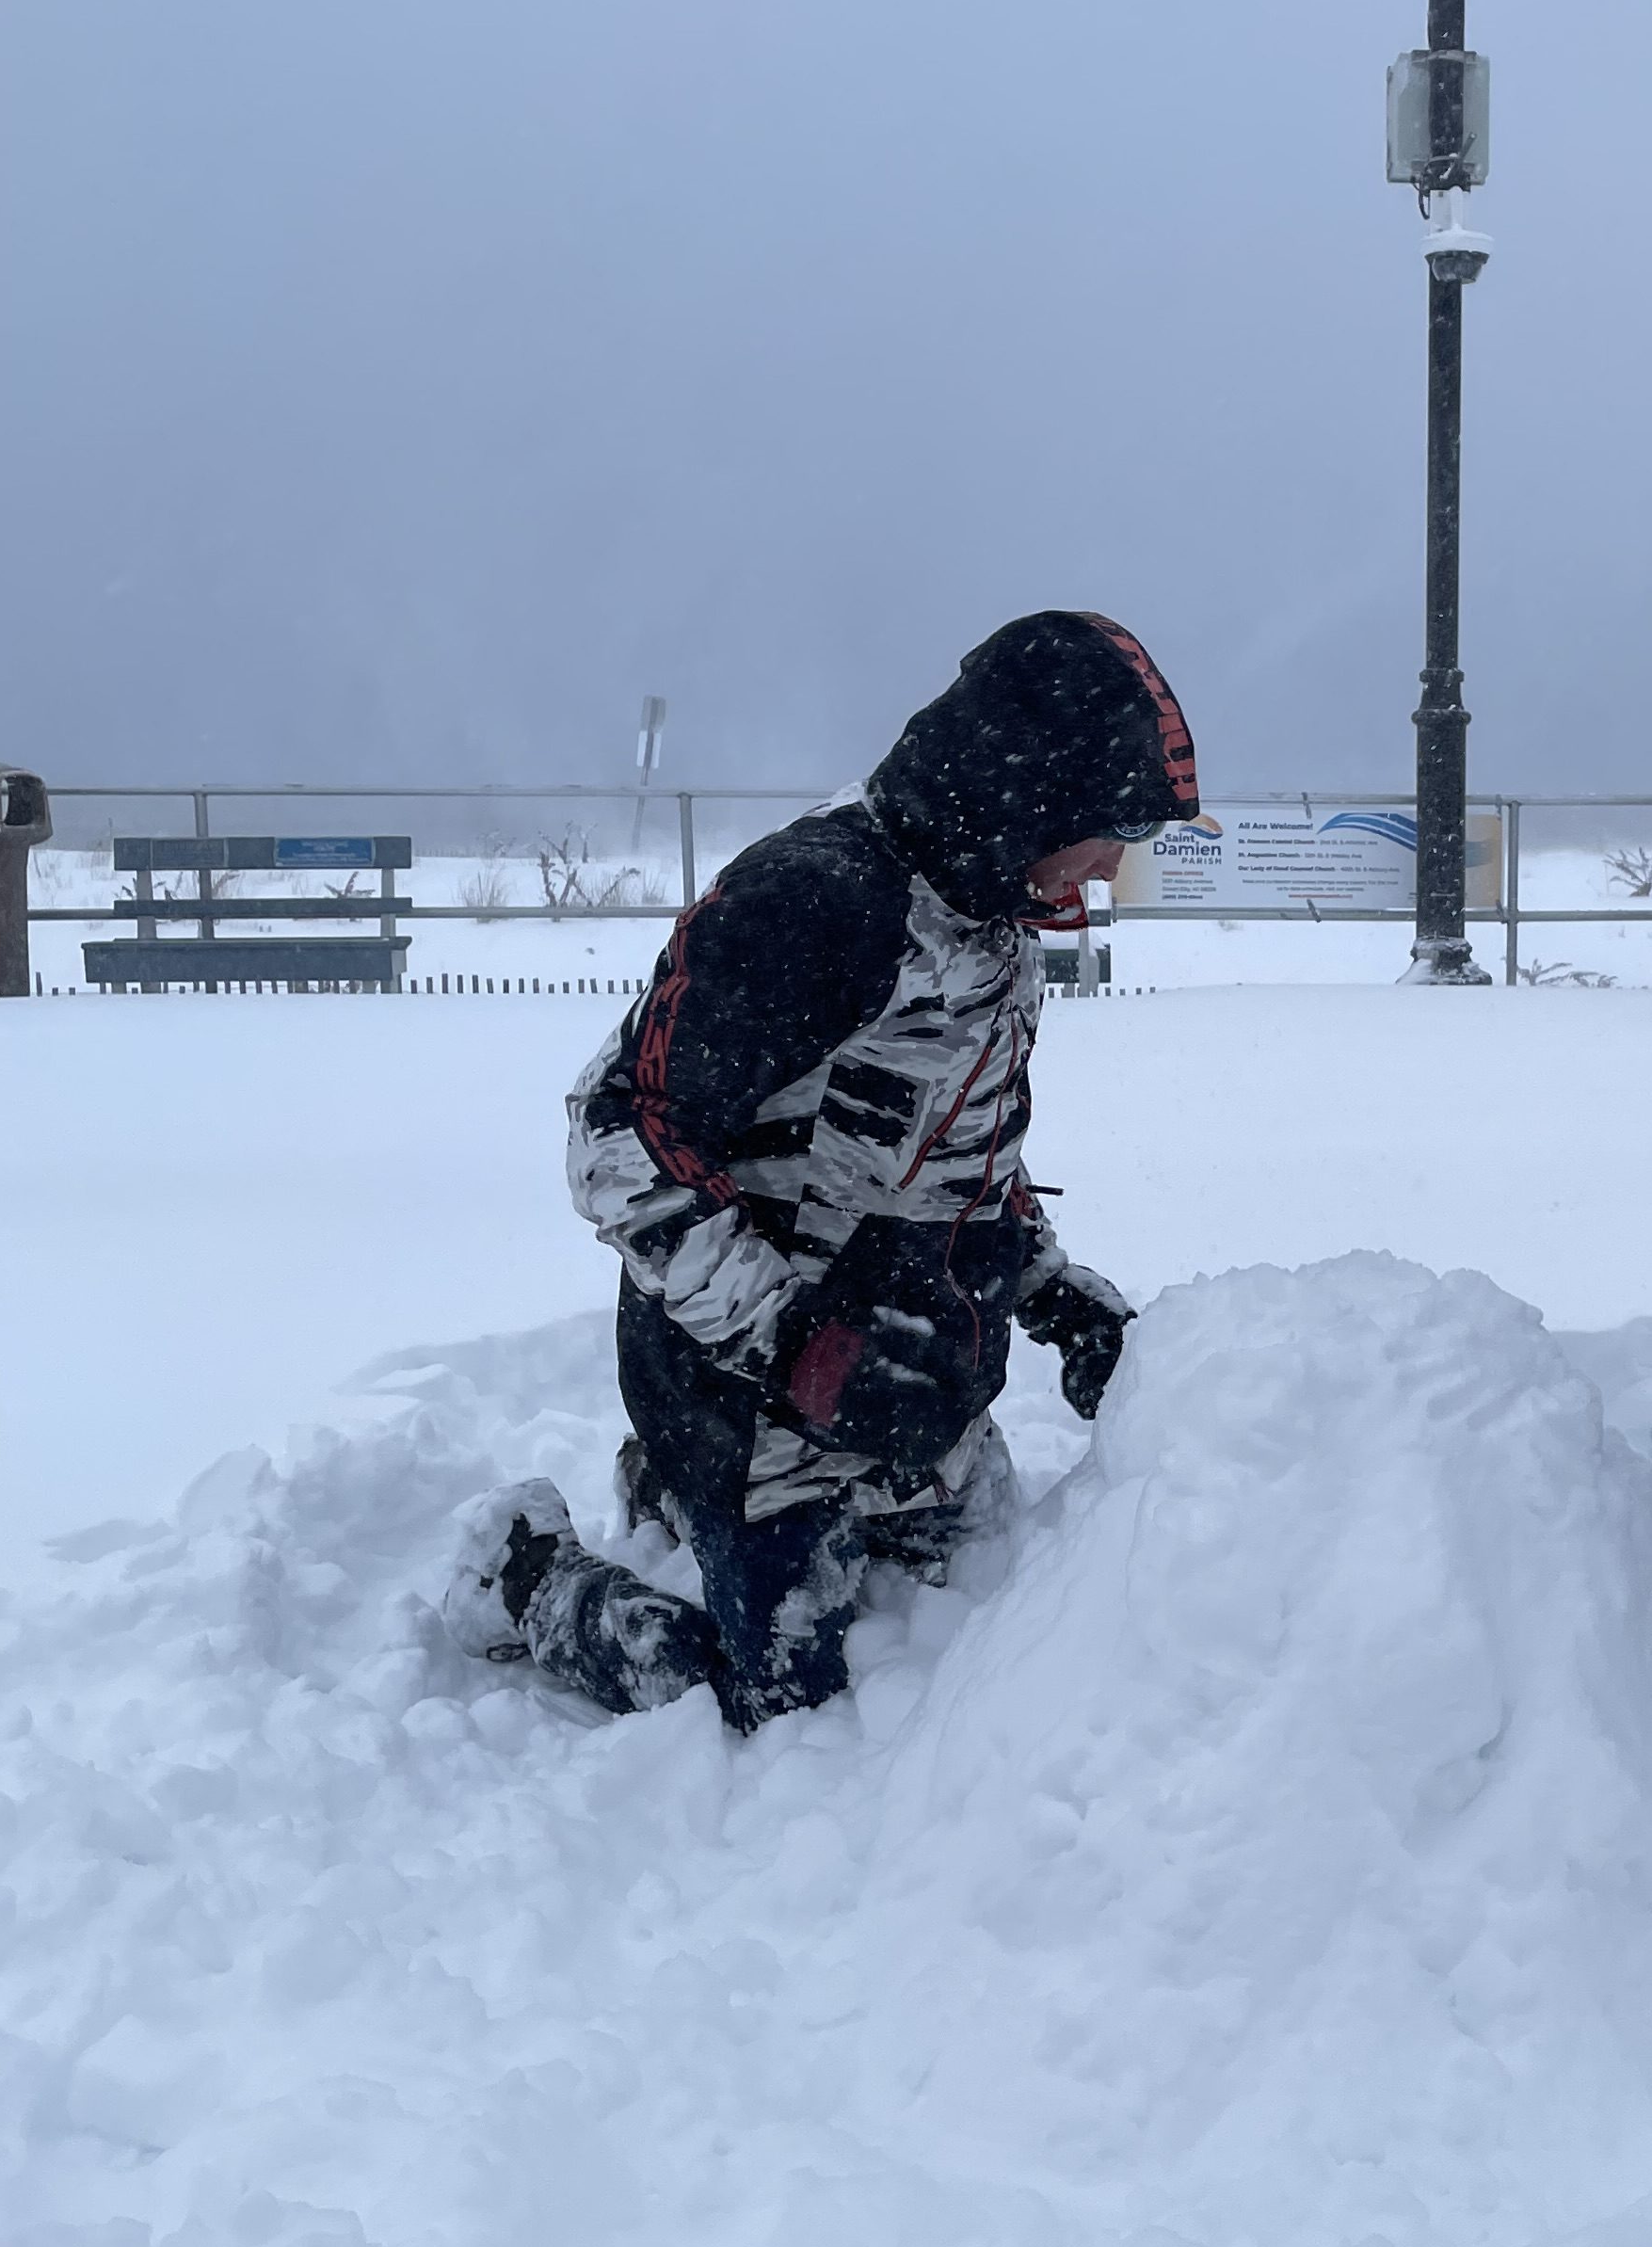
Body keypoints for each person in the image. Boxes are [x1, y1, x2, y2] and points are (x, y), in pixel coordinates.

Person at [442, 611, 1196, 1729]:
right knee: (780, 1705)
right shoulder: (817, 903)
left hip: (909, 1372)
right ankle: (531, 1577)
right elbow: (618, 1136)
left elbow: (958, 1148)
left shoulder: (995, 918)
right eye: (1107, 825)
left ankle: (678, 1494)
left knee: (996, 1598)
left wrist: (1049, 1291)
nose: (1112, 862)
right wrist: (794, 1344)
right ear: (1025, 791)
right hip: (744, 1380)